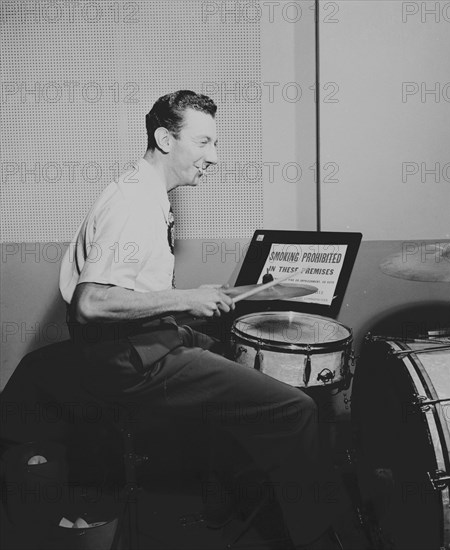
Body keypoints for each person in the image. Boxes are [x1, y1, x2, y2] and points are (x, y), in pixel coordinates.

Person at [59, 90, 343, 550]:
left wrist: (208, 298)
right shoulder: (134, 203)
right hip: (128, 361)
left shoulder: (143, 190)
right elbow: (90, 304)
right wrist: (186, 298)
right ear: (165, 140)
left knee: (230, 351)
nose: (215, 157)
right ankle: (316, 538)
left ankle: (223, 496)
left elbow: (138, 292)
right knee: (296, 408)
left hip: (137, 344)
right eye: (205, 142)